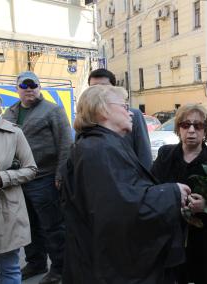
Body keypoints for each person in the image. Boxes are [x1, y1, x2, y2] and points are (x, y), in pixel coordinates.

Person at [61, 85, 191, 283]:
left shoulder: (102, 144)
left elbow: (124, 193)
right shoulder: (99, 149)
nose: (130, 112)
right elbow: (120, 208)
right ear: (103, 110)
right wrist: (172, 193)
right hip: (104, 267)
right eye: (124, 106)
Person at [152, 104, 207, 284]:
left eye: (198, 126)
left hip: (204, 243)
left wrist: (206, 205)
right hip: (171, 239)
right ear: (179, 128)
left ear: (205, 130)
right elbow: (151, 190)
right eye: (186, 125)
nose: (191, 130)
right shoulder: (165, 156)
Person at [3, 71, 72, 284]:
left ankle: (60, 268)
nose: (29, 88)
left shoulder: (53, 110)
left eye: (33, 85)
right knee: (27, 225)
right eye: (24, 85)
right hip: (19, 179)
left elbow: (65, 144)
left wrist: (61, 174)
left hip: (45, 177)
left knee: (52, 226)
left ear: (39, 87)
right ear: (18, 89)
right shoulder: (10, 113)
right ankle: (36, 262)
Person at [0, 80, 37, 283]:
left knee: (10, 269)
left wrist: (2, 177)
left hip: (8, 209)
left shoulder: (14, 132)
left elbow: (31, 169)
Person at [88, 68, 152, 170]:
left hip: (130, 178)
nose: (98, 92)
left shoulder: (132, 115)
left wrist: (147, 182)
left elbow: (144, 152)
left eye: (103, 87)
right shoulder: (86, 117)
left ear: (114, 88)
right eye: (93, 88)